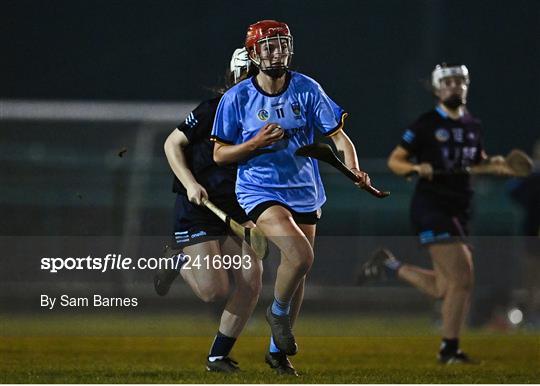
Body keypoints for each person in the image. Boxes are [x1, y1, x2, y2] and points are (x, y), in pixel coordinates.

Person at [211, 20, 370, 375]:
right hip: (258, 188)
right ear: (253, 54)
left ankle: (276, 355)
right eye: (268, 46)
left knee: (298, 271)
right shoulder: (237, 98)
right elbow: (220, 155)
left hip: (304, 190)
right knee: (300, 255)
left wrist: (355, 168)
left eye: (281, 45)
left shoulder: (307, 88)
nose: (277, 52)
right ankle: (278, 315)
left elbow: (340, 139)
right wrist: (255, 144)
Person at [357, 63, 513, 364]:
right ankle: (449, 349)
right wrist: (416, 167)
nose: (454, 86)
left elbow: (476, 161)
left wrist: (494, 164)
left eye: (459, 81)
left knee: (445, 287)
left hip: (460, 208)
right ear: (437, 89)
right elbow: (395, 161)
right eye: (448, 82)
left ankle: (388, 267)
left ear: (466, 86)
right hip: (433, 207)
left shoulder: (473, 125)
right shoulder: (425, 124)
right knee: (464, 278)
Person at [153, 47, 263, 373]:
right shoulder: (214, 109)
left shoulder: (266, 117)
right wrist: (189, 182)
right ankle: (179, 259)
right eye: (248, 75)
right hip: (199, 205)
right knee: (213, 291)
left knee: (252, 277)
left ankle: (218, 356)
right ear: (236, 76)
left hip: (236, 207)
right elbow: (172, 144)